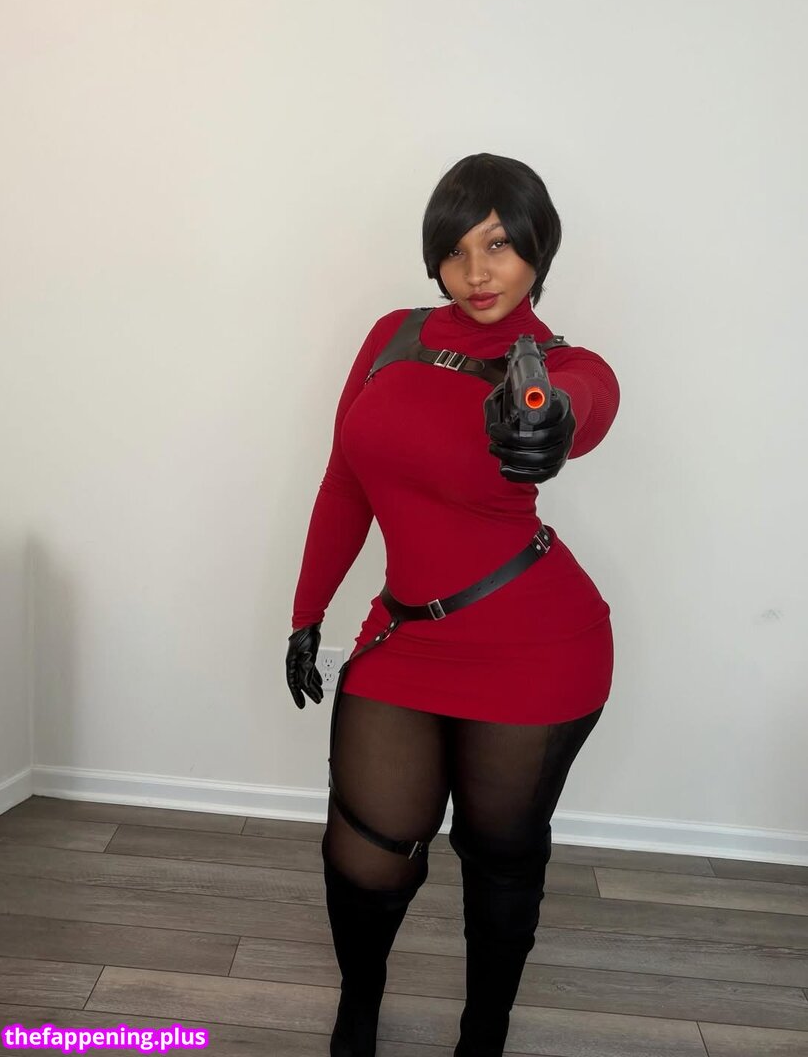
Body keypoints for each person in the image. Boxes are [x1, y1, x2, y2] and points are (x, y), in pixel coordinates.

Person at [286, 153, 620, 1057]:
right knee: (364, 856)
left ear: (540, 252)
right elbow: (345, 481)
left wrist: (553, 421)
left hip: (536, 647)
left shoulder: (560, 366)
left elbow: (586, 403)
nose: (477, 271)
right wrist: (307, 612)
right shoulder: (391, 336)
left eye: (501, 246)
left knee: (499, 857)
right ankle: (359, 1012)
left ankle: (483, 1036)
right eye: (457, 248)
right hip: (404, 636)